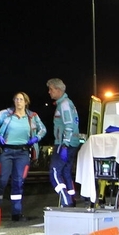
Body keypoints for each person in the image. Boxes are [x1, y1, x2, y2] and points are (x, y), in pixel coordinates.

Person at [0, 92, 47, 221]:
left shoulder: (32, 116)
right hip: (6, 151)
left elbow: (43, 129)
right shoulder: (6, 114)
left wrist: (36, 138)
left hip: (23, 152)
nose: (18, 101)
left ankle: (16, 213)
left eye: (21, 99)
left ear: (26, 102)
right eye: (16, 99)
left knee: (18, 182)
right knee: (1, 181)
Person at [46, 78, 82, 207]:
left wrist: (65, 144)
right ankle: (71, 199)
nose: (49, 92)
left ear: (58, 89)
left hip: (64, 143)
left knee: (55, 172)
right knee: (66, 172)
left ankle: (65, 199)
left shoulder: (64, 105)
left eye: (50, 89)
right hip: (73, 142)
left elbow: (68, 125)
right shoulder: (68, 103)